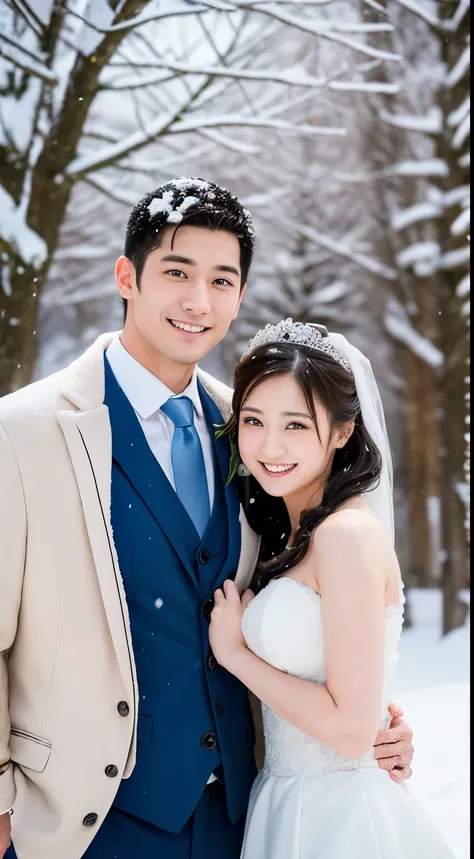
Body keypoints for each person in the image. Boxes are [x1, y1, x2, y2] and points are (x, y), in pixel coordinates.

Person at [0, 181, 413, 859]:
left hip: (244, 820)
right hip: (89, 822)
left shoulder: (253, 430)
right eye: (176, 272)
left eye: (223, 280)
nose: (199, 301)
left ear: (241, 296)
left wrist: (375, 726)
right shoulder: (24, 433)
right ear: (126, 276)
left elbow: (318, 607)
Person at [208, 319, 455, 859]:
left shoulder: (345, 535)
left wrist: (235, 654)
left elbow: (349, 729)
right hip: (284, 797)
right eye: (254, 420)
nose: (270, 446)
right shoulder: (293, 529)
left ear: (343, 431)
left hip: (339, 813)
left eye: (296, 425)